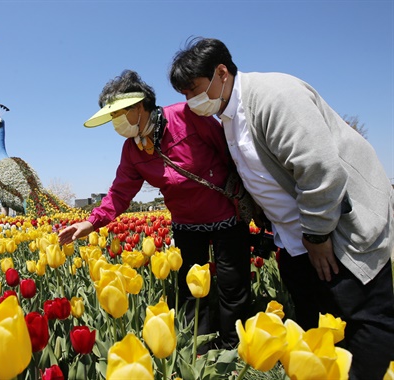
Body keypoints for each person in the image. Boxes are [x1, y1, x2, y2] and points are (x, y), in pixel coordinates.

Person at [169, 37, 394, 379]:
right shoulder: (229, 115)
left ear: (221, 72)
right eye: (184, 95)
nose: (190, 101)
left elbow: (319, 169)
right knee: (314, 326)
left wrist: (317, 237)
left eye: (194, 89)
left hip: (338, 232)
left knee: (365, 321)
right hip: (292, 240)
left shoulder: (274, 96)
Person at [58, 70, 251, 351]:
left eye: (118, 114)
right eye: (112, 116)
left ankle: (234, 349)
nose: (115, 123)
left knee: (232, 286)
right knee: (189, 291)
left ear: (139, 107)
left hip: (225, 215)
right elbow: (120, 192)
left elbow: (228, 151)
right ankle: (199, 350)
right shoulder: (132, 149)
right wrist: (91, 223)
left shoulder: (188, 117)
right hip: (186, 223)